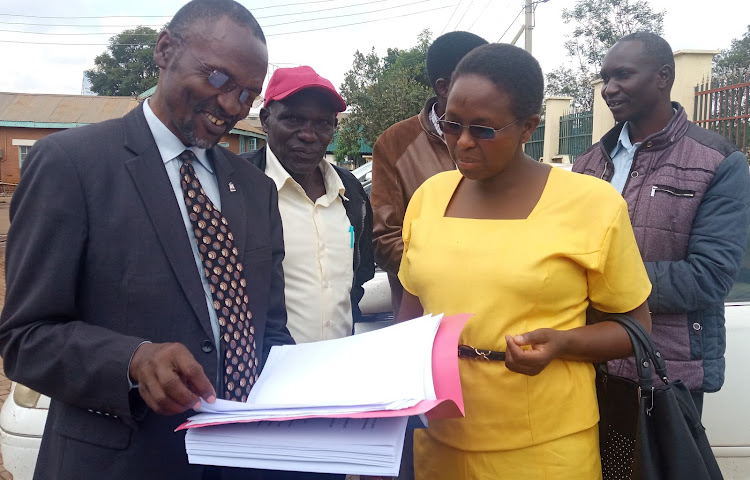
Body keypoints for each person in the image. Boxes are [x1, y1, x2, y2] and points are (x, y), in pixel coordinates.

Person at [0, 1, 294, 479]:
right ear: (165, 50)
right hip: (121, 462)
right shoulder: (70, 165)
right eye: (219, 79)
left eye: (247, 94)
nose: (231, 106)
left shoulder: (255, 188)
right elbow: (25, 338)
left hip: (241, 461)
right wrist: (131, 360)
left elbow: (270, 330)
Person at [397, 43, 653, 479]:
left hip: (546, 447)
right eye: (452, 124)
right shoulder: (430, 197)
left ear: (528, 127)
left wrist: (563, 344)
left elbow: (636, 328)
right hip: (439, 441)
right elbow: (411, 317)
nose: (462, 142)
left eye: (483, 129)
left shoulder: (590, 204)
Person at [573, 32, 750, 415]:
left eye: (623, 75)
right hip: (591, 363)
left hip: (664, 371)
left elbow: (709, 276)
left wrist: (602, 285)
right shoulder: (587, 164)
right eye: (606, 78)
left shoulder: (718, 161)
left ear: (663, 77)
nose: (609, 89)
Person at [242, 66, 374, 346]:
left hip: (336, 368)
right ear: (265, 120)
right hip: (263, 375)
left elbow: (359, 275)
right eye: (293, 119)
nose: (308, 135)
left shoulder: (349, 191)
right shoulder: (238, 186)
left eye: (323, 123)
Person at [370, 31, 487, 317]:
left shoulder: (498, 134)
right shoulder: (394, 143)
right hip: (424, 316)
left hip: (494, 313)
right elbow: (384, 238)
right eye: (480, 77)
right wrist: (447, 272)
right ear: (444, 86)